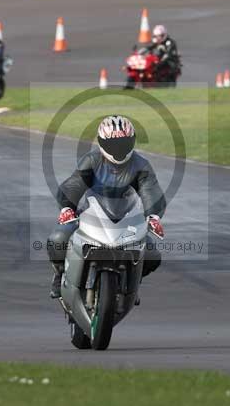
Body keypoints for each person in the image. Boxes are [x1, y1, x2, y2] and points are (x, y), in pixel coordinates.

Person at [46, 115, 165, 298]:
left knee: (152, 255)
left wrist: (154, 216)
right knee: (58, 238)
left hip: (128, 219)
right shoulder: (92, 160)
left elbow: (151, 190)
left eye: (123, 143)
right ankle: (60, 273)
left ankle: (132, 282)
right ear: (102, 143)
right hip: (90, 214)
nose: (118, 149)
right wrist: (67, 207)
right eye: (113, 144)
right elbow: (74, 184)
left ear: (132, 141)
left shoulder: (140, 164)